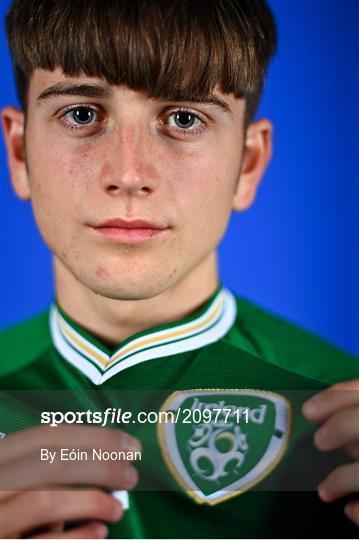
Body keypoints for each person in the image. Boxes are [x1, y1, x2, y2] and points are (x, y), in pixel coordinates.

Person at [1, 0, 358, 538]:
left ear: (249, 163)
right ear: (21, 152)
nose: (127, 173)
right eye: (81, 114)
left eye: (184, 118)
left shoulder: (333, 404)